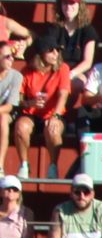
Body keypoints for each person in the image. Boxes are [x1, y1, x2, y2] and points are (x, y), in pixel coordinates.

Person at [10, 38, 68, 181]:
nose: (56, 54)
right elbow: (18, 100)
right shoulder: (27, 71)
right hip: (31, 114)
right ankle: (24, 165)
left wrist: (56, 115)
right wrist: (31, 103)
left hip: (52, 113)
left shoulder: (63, 69)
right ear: (41, 54)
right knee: (20, 127)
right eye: (51, 50)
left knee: (53, 129)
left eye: (58, 50)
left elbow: (63, 95)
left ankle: (53, 166)